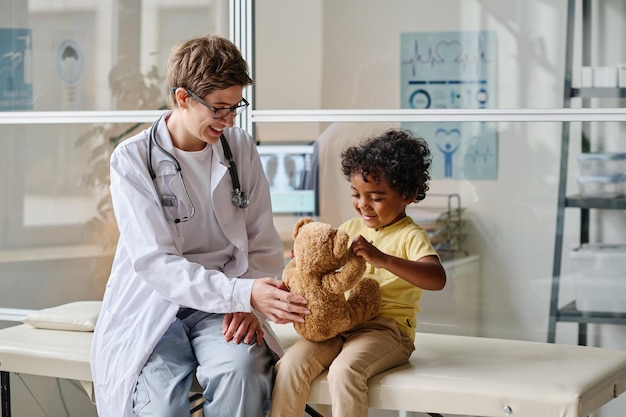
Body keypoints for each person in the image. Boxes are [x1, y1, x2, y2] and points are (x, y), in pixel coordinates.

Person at [90, 34, 310, 417]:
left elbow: (262, 240)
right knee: (161, 407)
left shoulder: (239, 148)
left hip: (224, 306)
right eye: (219, 109)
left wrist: (248, 304)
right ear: (182, 98)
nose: (228, 120)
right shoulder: (131, 160)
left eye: (235, 107)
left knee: (241, 373)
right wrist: (242, 295)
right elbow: (157, 263)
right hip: (155, 304)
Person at [270, 128, 447, 417]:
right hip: (338, 324)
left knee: (345, 371)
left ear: (408, 195)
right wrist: (305, 263)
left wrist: (383, 259)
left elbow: (436, 278)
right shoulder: (351, 229)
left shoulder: (410, 235)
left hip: (386, 331)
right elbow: (325, 268)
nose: (363, 204)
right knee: (289, 366)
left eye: (376, 196)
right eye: (356, 194)